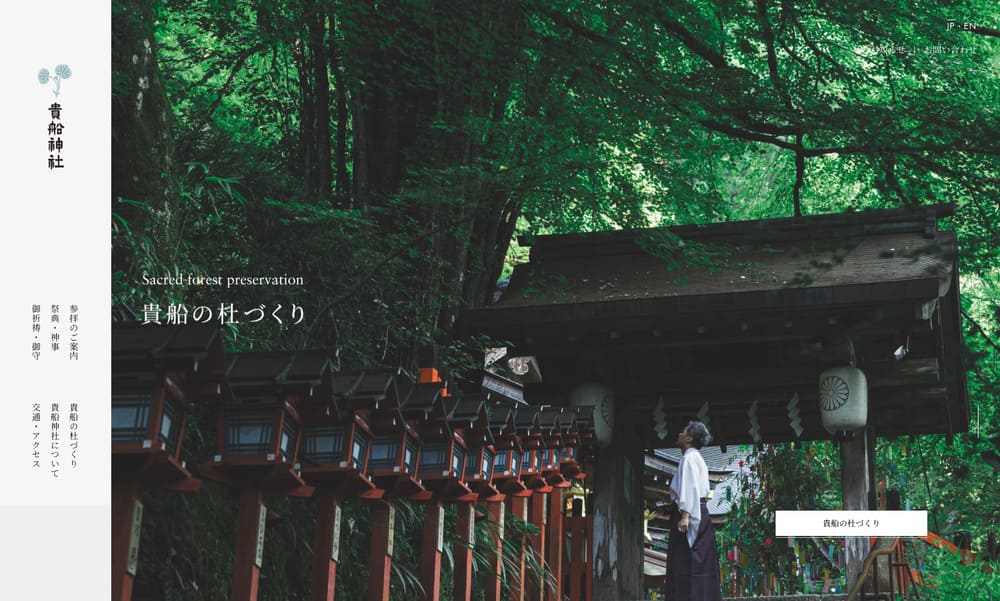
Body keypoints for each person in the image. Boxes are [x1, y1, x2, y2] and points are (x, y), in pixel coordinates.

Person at [664, 420, 722, 601]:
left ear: (689, 438)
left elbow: (690, 488)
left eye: (683, 431)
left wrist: (685, 516)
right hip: (700, 511)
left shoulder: (689, 458)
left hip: (690, 513)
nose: (680, 434)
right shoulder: (696, 458)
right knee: (700, 568)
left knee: (684, 566)